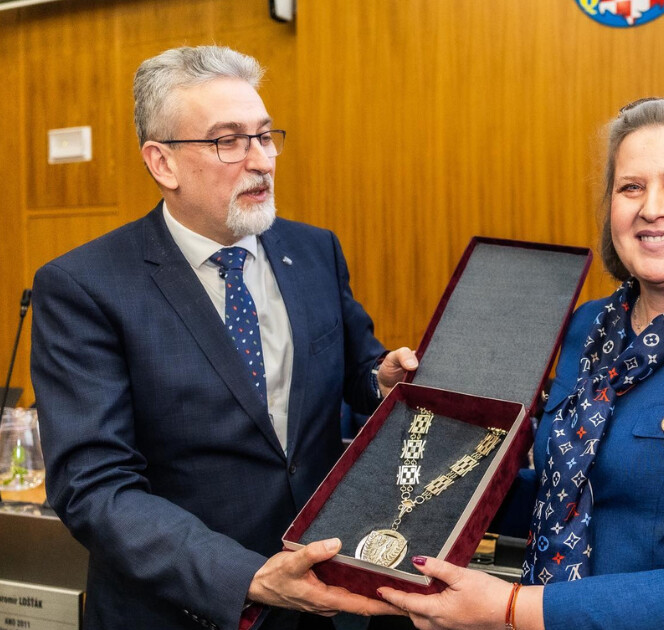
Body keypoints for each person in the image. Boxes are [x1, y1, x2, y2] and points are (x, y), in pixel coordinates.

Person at [377, 97, 664, 629]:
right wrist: (421, 424)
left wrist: (510, 609)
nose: (651, 207)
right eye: (631, 187)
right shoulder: (582, 329)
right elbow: (572, 496)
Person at [31, 45, 411, 630]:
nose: (260, 160)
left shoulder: (313, 251)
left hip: (325, 605)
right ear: (163, 163)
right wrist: (248, 578)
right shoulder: (86, 287)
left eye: (265, 135)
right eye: (227, 141)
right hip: (182, 610)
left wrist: (380, 379)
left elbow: (354, 369)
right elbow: (95, 487)